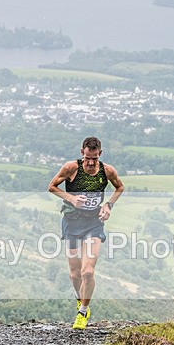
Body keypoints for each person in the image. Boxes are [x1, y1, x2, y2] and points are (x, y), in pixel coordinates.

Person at [48, 137, 124, 330]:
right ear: (82, 152)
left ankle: (83, 311)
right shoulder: (71, 168)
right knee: (75, 275)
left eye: (94, 158)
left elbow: (119, 187)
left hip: (93, 223)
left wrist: (108, 205)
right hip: (72, 222)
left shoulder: (107, 171)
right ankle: (79, 298)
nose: (90, 163)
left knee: (87, 272)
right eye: (87, 158)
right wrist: (71, 198)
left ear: (100, 154)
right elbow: (52, 186)